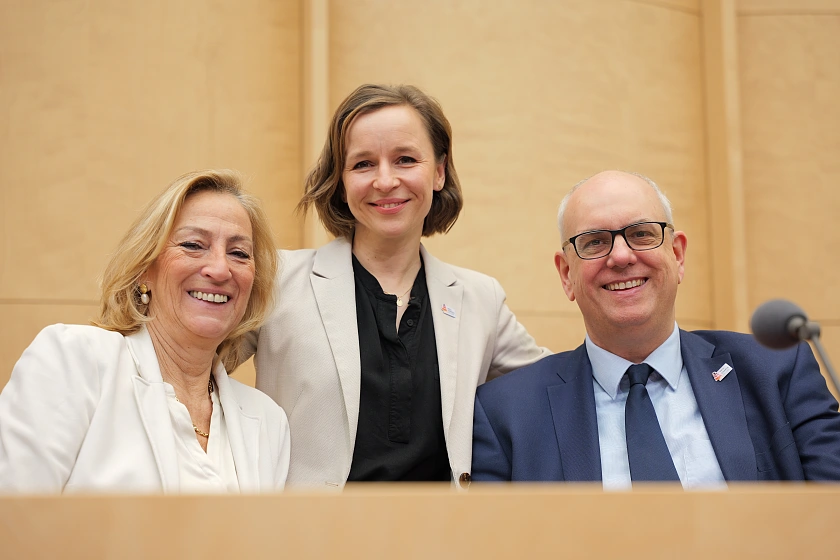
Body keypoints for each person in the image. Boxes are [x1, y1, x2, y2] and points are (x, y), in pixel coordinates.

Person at [244, 84, 549, 488]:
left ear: (439, 172)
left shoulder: (481, 298)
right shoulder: (276, 279)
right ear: (340, 180)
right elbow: (189, 368)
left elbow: (555, 389)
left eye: (405, 159)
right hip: (310, 541)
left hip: (442, 543)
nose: (385, 181)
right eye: (363, 164)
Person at [472, 170, 840, 487]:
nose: (620, 256)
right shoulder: (506, 413)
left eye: (642, 234)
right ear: (567, 275)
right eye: (595, 242)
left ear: (677, 256)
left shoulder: (775, 370)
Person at [0, 170, 290, 493]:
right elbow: (12, 525)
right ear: (145, 269)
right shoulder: (73, 362)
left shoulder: (268, 423)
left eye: (239, 253)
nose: (220, 269)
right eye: (194, 245)